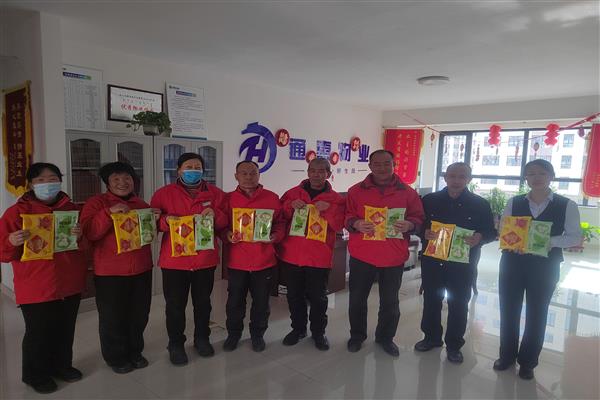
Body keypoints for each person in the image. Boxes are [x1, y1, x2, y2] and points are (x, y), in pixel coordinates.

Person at [0, 163, 87, 394]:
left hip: (69, 282)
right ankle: (35, 375)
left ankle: (62, 366)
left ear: (60, 181)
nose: (47, 184)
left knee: (65, 329)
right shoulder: (16, 213)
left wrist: (80, 236)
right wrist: (11, 241)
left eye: (52, 178)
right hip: (36, 285)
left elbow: (86, 246)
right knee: (38, 333)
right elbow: (3, 253)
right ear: (30, 184)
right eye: (40, 180)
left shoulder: (72, 210)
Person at [494, 159, 581, 380]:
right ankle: (506, 356)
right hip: (513, 263)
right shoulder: (514, 202)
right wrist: (512, 240)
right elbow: (504, 229)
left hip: (545, 266)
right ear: (526, 178)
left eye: (542, 173)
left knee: (537, 312)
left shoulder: (566, 205)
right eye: (531, 173)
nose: (536, 177)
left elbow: (575, 237)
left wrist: (548, 242)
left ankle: (528, 362)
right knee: (508, 310)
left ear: (551, 176)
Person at [344, 150, 425, 356]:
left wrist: (410, 225)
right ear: (370, 166)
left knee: (390, 302)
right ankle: (357, 336)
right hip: (362, 254)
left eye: (387, 163)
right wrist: (356, 223)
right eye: (377, 164)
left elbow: (418, 218)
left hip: (393, 255)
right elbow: (346, 216)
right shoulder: (355, 191)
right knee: (357, 300)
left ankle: (385, 338)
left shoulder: (408, 193)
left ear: (393, 165)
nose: (382, 168)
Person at [414, 162, 496, 363]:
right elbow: (418, 224)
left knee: (458, 303)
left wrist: (479, 237)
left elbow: (490, 232)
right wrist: (423, 231)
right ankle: (431, 338)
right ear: (445, 177)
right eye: (452, 176)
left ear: (469, 179)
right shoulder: (430, 200)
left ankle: (454, 345)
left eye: (462, 176)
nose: (456, 180)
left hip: (463, 263)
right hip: (433, 260)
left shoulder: (480, 204)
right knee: (431, 300)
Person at [150, 153, 228, 366]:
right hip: (174, 261)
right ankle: (175, 344)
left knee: (203, 303)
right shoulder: (163, 193)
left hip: (204, 260)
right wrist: (166, 221)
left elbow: (225, 222)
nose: (193, 170)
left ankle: (202, 339)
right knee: (175, 306)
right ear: (179, 170)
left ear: (203, 170)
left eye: (197, 167)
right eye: (188, 167)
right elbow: (152, 223)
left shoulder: (216, 194)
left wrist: (216, 215)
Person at [80, 162, 157, 374]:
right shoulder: (97, 203)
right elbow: (89, 232)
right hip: (110, 272)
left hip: (141, 268)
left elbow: (149, 234)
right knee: (112, 318)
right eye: (116, 179)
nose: (122, 183)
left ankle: (135, 352)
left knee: (139, 315)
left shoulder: (140, 203)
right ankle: (115, 357)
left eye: (127, 178)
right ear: (107, 182)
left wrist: (154, 219)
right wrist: (108, 213)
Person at [278, 157, 345, 351]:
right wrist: (289, 206)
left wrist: (329, 210)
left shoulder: (336, 199)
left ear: (328, 174)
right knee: (294, 296)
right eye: (313, 170)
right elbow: (279, 216)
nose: (316, 174)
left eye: (321, 171)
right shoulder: (292, 193)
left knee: (318, 298)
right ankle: (298, 329)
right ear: (307, 172)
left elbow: (339, 225)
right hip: (292, 255)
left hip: (319, 257)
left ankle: (318, 332)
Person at [222, 161, 285, 352]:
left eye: (253, 173)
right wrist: (227, 235)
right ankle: (233, 334)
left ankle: (258, 335)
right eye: (244, 173)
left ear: (259, 175)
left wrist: (275, 236)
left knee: (261, 302)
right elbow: (220, 226)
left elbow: (280, 224)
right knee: (235, 301)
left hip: (264, 260)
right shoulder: (228, 199)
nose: (248, 177)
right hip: (237, 261)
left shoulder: (272, 198)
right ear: (236, 176)